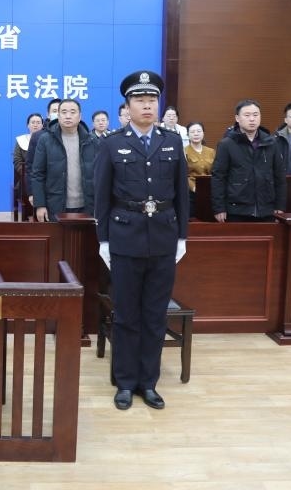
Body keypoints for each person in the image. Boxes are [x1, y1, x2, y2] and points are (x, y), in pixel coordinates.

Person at [93, 70, 189, 411]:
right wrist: (104, 240)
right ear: (127, 107)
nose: (147, 106)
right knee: (126, 314)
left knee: (155, 315)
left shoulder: (172, 141)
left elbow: (181, 193)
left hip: (163, 237)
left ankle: (148, 382)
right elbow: (101, 195)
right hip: (125, 237)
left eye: (152, 100)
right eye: (140, 100)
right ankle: (124, 382)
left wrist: (182, 236)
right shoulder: (111, 143)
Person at [211, 99, 287, 222]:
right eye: (247, 115)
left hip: (266, 209)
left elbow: (279, 176)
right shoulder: (226, 144)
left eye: (255, 115)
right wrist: (219, 208)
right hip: (236, 210)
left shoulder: (271, 142)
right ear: (237, 118)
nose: (252, 119)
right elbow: (218, 177)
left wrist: (280, 205)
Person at [30, 98, 97, 221]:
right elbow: (38, 174)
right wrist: (40, 205)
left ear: (80, 116)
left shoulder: (92, 141)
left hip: (87, 206)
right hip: (55, 205)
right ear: (58, 116)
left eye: (73, 112)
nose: (68, 116)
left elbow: (101, 175)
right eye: (64, 112)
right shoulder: (45, 140)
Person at [184, 121, 215, 214]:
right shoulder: (183, 151)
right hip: (191, 192)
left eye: (199, 131)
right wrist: (194, 188)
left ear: (203, 133)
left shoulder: (211, 151)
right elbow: (183, 175)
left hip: (209, 192)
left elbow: (216, 172)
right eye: (192, 132)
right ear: (187, 134)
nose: (196, 134)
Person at [13, 113, 44, 198]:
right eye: (33, 122)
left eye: (38, 122)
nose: (35, 125)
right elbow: (17, 161)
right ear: (28, 125)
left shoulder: (47, 140)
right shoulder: (21, 140)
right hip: (26, 177)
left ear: (42, 125)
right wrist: (27, 174)